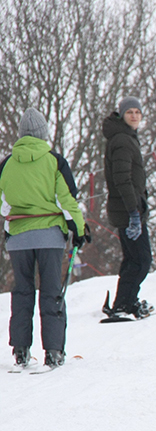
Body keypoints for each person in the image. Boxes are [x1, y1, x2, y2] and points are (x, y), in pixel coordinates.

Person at [0, 108, 88, 368]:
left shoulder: (6, 164)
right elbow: (67, 201)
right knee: (51, 292)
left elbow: (4, 204)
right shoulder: (54, 161)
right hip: (49, 237)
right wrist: (80, 230)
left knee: (23, 292)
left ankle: (21, 350)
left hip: (18, 237)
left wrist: (10, 227)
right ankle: (53, 351)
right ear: (43, 133)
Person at [101, 96, 154, 320]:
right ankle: (123, 304)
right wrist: (134, 212)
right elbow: (122, 179)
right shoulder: (123, 140)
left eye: (137, 112)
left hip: (129, 208)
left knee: (133, 259)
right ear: (122, 115)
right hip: (128, 210)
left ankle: (126, 301)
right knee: (142, 259)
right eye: (130, 112)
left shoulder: (126, 137)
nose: (134, 115)